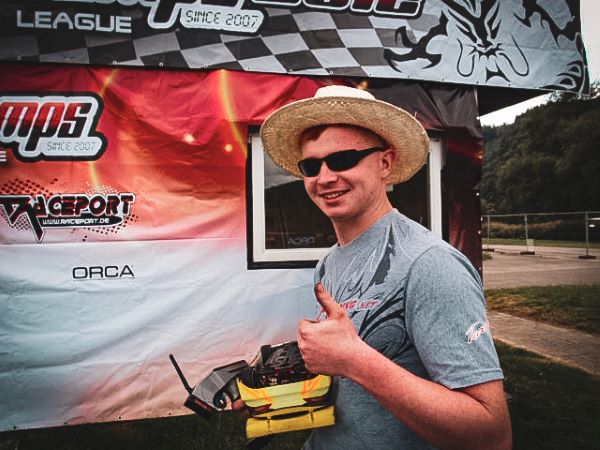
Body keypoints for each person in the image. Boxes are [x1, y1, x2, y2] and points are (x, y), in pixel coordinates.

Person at [247, 85, 512, 449]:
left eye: (343, 159)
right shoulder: (329, 263)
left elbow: (492, 435)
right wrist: (275, 391)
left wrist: (354, 360)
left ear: (385, 163)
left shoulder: (430, 264)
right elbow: (350, 386)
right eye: (311, 166)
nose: (324, 177)